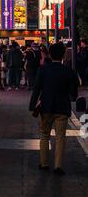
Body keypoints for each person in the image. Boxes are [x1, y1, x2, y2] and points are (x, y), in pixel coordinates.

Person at [29, 42, 78, 175]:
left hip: (46, 107)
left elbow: (37, 88)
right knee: (60, 137)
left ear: (50, 54)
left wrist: (32, 104)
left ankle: (44, 163)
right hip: (62, 108)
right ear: (63, 55)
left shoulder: (44, 69)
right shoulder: (68, 70)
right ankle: (58, 166)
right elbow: (74, 91)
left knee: (44, 135)